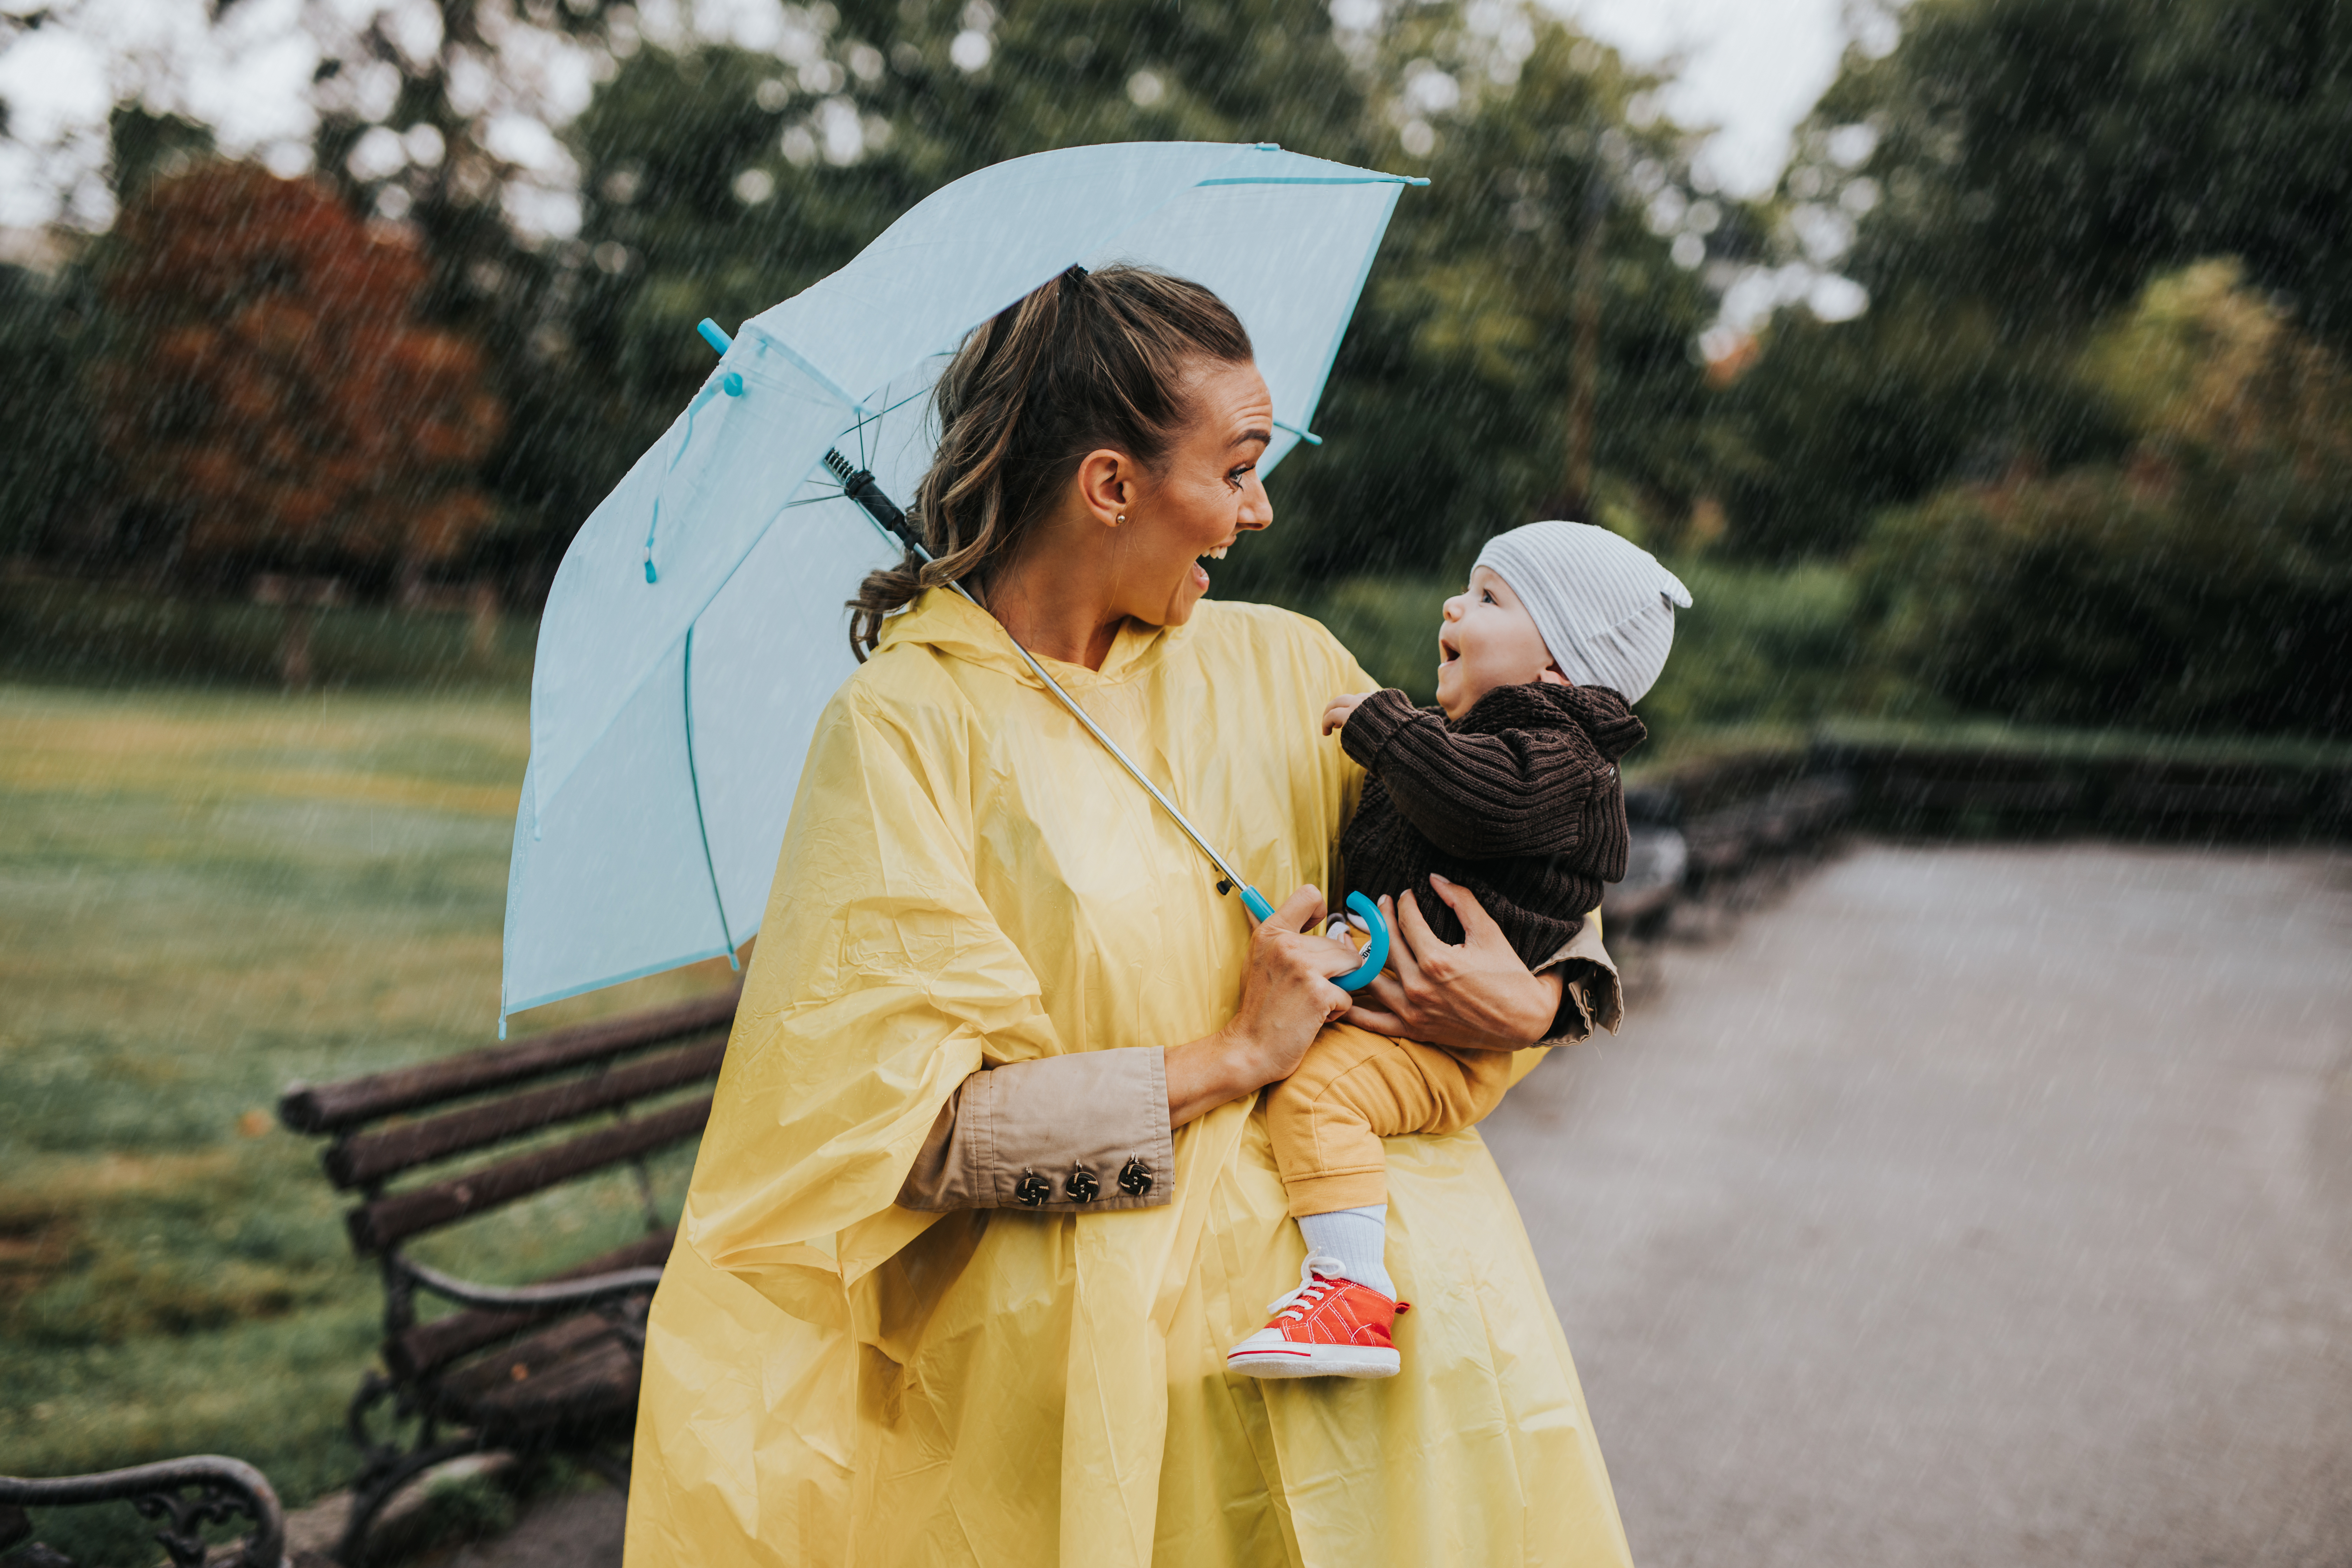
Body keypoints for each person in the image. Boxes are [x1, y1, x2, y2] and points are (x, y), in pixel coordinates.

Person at [621, 265, 1637, 1567]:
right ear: (1111, 485)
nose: (1261, 510)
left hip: (1405, 1409)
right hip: (1106, 1425)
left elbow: (1537, 834)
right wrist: (1234, 1059)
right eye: (1237, 467)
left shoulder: (1288, 665)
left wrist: (1545, 1001)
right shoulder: (904, 736)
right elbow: (911, 1140)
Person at [1226, 522, 1691, 1380]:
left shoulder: (1560, 758)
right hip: (1421, 1016)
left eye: (1488, 598)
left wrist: (1390, 734)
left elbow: (1482, 806)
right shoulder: (1498, 741)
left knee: (1320, 1098)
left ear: (1557, 667)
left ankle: (1352, 1292)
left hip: (1447, 1041)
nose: (1453, 604)